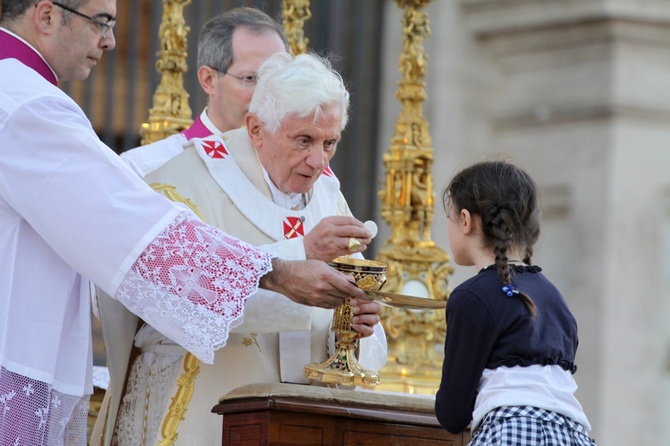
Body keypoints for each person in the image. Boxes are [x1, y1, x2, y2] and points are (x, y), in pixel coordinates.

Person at [0, 2, 371, 445]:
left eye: (329, 142)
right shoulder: (23, 103)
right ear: (45, 15)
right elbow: (133, 236)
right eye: (101, 20)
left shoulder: (23, 95)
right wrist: (281, 270)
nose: (111, 39)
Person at [96, 50, 387, 446]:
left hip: (304, 423)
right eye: (303, 140)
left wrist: (354, 326)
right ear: (256, 128)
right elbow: (178, 300)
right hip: (198, 415)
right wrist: (299, 253)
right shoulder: (184, 186)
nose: (318, 160)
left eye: (330, 143)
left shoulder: (328, 197)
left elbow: (357, 328)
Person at [434, 160, 596, 445]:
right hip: (573, 435)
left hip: (508, 433)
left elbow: (453, 413)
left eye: (448, 218)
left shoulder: (471, 297)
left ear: (465, 220)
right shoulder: (554, 297)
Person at [121, 6, 289, 177]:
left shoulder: (300, 173)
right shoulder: (149, 168)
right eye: (250, 79)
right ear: (209, 80)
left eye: (277, 79)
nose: (266, 95)